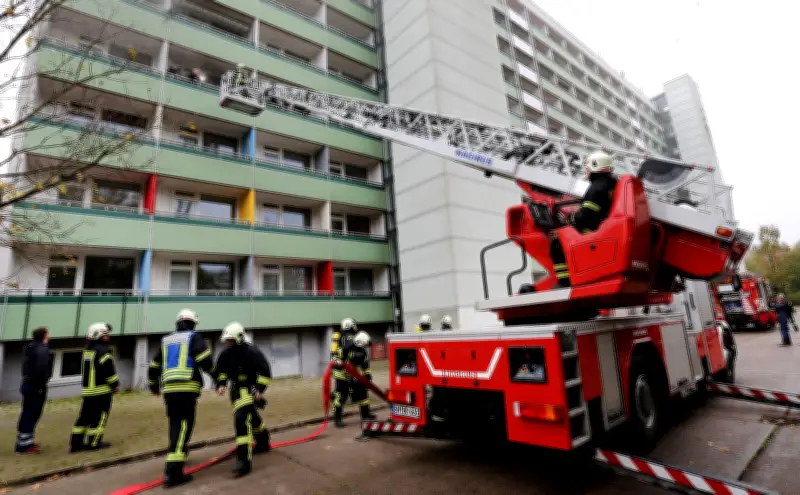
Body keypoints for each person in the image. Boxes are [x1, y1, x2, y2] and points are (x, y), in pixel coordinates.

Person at [148, 309, 215, 488]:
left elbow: (154, 365)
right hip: (187, 389)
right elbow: (205, 361)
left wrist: (153, 384)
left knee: (176, 425)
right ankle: (173, 472)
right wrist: (218, 377)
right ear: (193, 323)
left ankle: (179, 454)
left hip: (169, 390)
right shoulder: (194, 337)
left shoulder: (166, 340)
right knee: (184, 426)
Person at [550, 151, 618, 288]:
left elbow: (586, 216)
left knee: (557, 243)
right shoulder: (612, 184)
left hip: (595, 233)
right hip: (605, 229)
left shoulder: (596, 187)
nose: (586, 172)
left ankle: (564, 282)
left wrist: (570, 219)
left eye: (587, 168)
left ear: (595, 166)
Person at [214, 322, 272, 477]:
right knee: (251, 417)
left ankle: (244, 461)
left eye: (231, 340)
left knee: (241, 419)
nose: (228, 343)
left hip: (249, 389)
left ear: (239, 339)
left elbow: (265, 373)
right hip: (235, 391)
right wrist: (221, 384)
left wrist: (259, 389)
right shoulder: (225, 355)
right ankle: (263, 440)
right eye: (227, 341)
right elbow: (221, 372)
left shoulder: (252, 352)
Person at [70, 322, 119, 453]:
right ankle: (94, 442)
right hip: (101, 391)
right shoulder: (104, 352)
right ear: (99, 335)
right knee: (100, 418)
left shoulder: (88, 351)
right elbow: (109, 372)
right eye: (105, 334)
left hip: (88, 391)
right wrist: (115, 385)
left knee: (84, 418)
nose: (108, 336)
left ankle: (76, 444)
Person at [15, 327, 52, 455]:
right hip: (36, 388)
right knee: (32, 414)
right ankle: (24, 447)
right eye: (48, 333)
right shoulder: (42, 349)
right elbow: (41, 370)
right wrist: (41, 386)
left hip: (27, 385)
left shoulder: (31, 347)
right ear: (44, 335)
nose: (50, 335)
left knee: (27, 413)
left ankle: (25, 441)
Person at [332, 330, 375, 428]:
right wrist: (339, 364)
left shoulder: (364, 352)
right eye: (365, 345)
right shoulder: (344, 349)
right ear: (360, 343)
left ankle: (366, 415)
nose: (366, 348)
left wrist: (367, 376)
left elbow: (365, 366)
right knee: (342, 396)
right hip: (341, 375)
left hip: (355, 375)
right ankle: (337, 418)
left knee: (363, 394)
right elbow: (335, 361)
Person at [330, 318, 358, 409]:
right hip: (341, 367)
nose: (354, 327)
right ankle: (336, 404)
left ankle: (334, 396)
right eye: (352, 325)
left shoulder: (342, 336)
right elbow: (339, 352)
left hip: (342, 366)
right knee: (343, 390)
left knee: (345, 386)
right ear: (348, 325)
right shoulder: (345, 336)